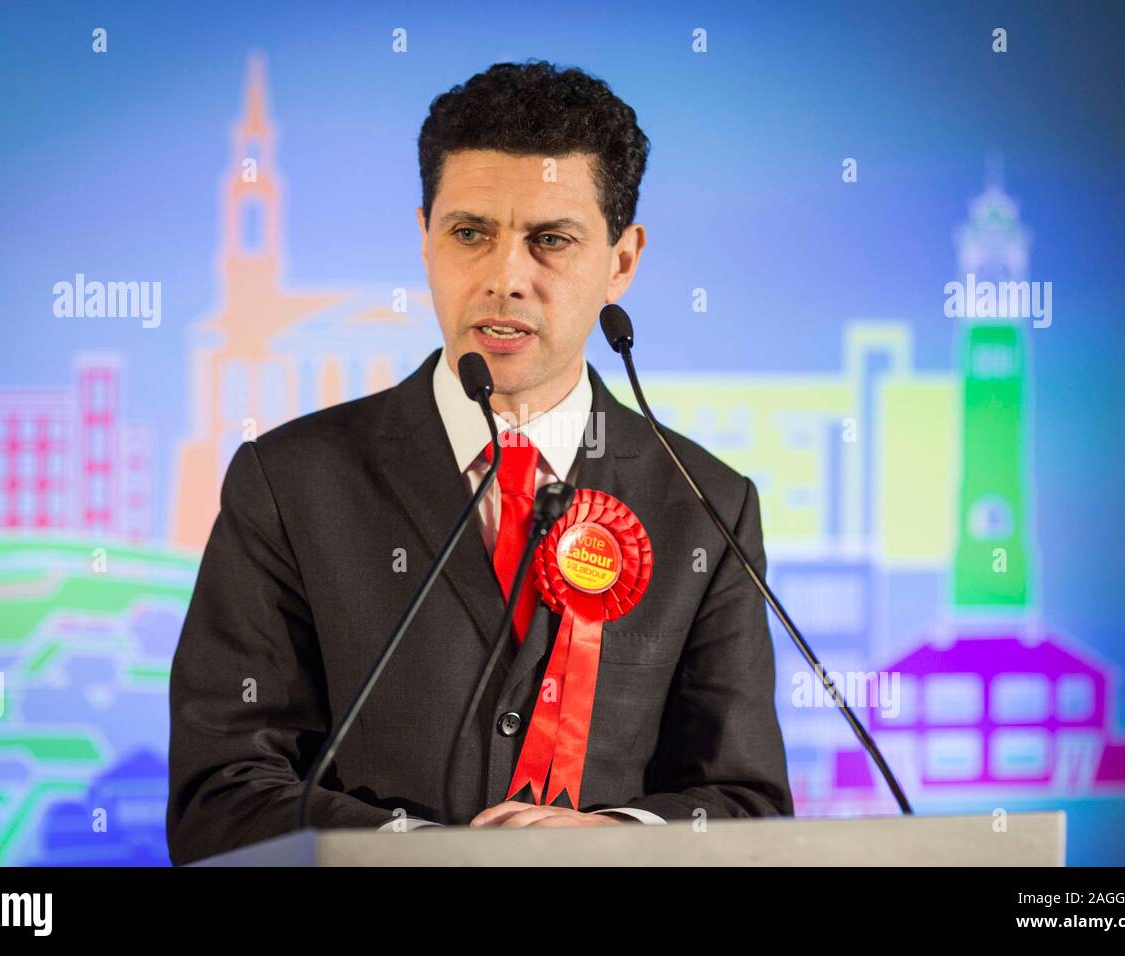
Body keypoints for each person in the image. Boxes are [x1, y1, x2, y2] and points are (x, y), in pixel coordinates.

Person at [167, 60, 791, 866]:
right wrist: (438, 857)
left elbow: (748, 804)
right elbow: (221, 797)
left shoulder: (706, 504)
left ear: (622, 261)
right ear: (425, 238)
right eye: (470, 234)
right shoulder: (289, 484)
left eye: (551, 240)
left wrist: (617, 840)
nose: (504, 279)